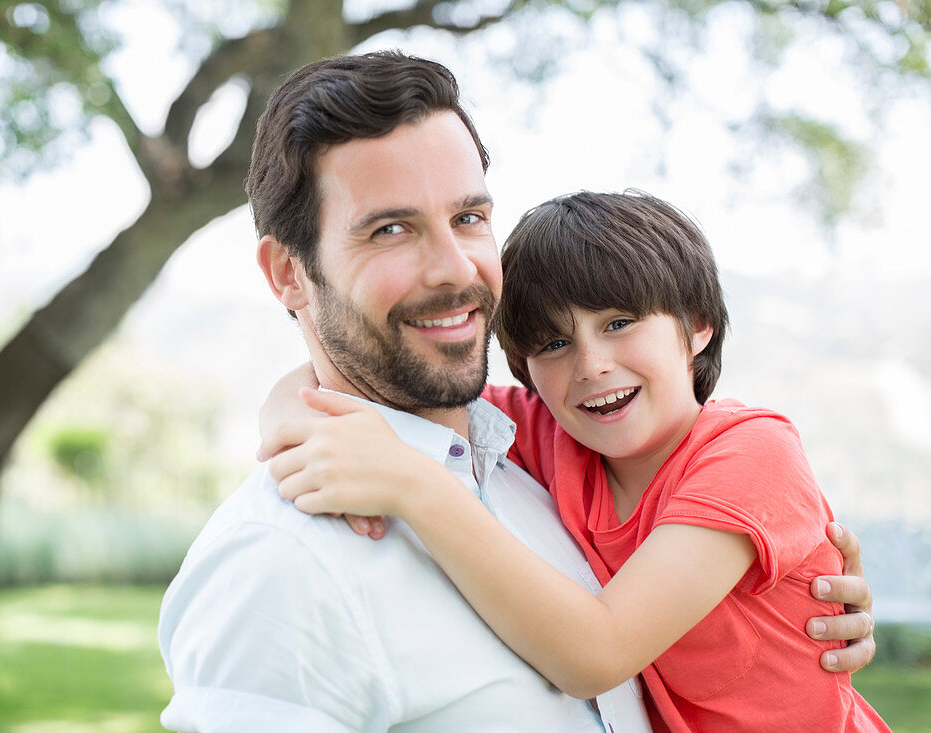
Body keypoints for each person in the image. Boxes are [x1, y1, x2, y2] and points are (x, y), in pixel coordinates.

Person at [158, 51, 875, 733]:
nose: (454, 267)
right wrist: (295, 414)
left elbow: (608, 648)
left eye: (468, 218)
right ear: (288, 274)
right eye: (391, 228)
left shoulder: (513, 458)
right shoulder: (280, 562)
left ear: (699, 327)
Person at [268, 191, 886, 730]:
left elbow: (597, 654)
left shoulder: (752, 453)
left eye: (619, 323)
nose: (590, 365)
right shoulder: (554, 429)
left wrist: (416, 487)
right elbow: (368, 381)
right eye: (555, 343)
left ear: (697, 326)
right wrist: (285, 419)